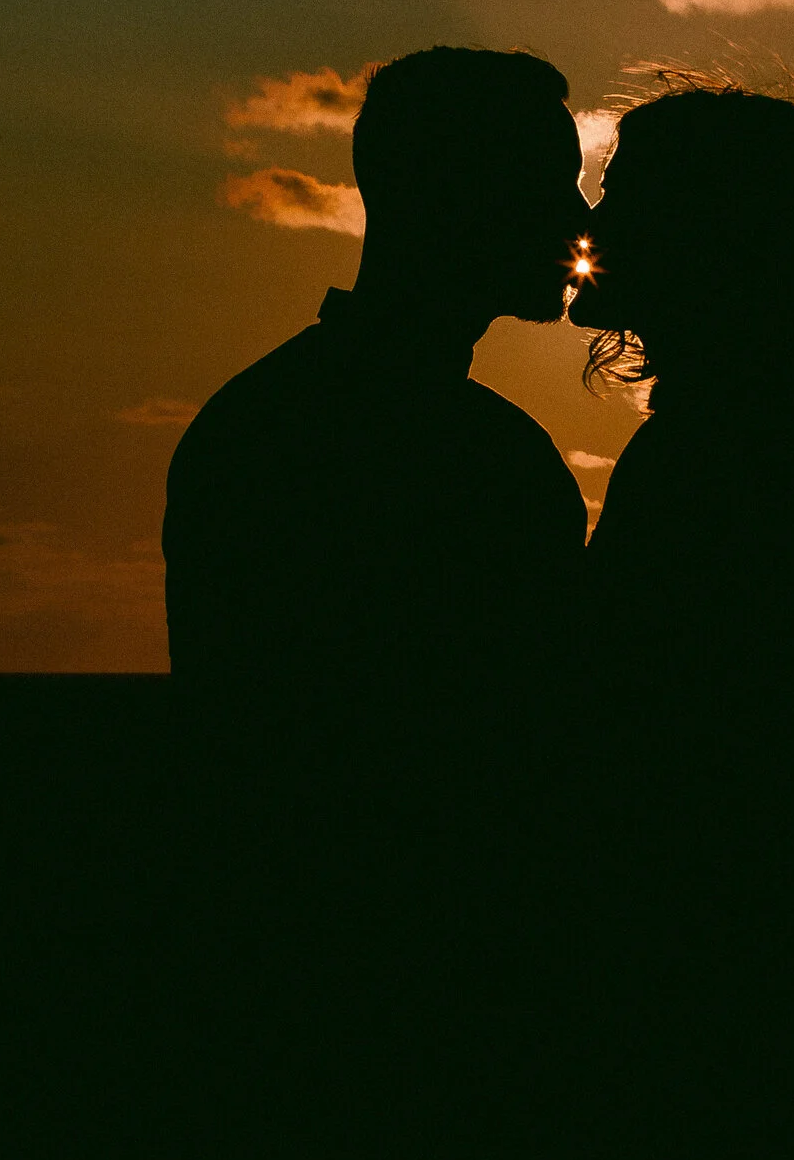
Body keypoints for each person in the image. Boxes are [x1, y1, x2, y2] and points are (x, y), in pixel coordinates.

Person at [162, 46, 596, 715]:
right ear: (455, 191)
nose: (579, 219)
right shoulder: (497, 463)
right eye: (546, 182)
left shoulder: (248, 425)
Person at [566, 75, 794, 698]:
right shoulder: (778, 433)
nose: (588, 226)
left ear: (702, 233)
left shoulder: (737, 452)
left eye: (622, 198)